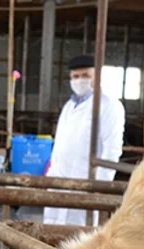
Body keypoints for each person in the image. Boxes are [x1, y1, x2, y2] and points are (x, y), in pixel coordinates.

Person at [43, 53, 126, 226]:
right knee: (51, 235)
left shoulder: (109, 105)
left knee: (79, 238)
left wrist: (99, 187)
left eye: (86, 75)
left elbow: (112, 150)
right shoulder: (69, 105)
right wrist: (50, 177)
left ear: (97, 76)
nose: (80, 80)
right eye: (75, 76)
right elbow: (60, 145)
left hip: (87, 184)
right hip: (58, 182)